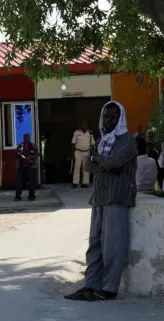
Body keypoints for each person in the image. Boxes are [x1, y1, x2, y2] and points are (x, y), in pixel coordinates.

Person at [64, 101, 137, 302]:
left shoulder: (127, 140)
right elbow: (88, 165)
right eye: (106, 117)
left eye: (113, 117)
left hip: (116, 196)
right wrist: (101, 162)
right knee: (94, 244)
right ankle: (90, 285)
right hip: (99, 197)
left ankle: (109, 288)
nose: (109, 120)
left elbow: (114, 163)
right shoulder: (103, 140)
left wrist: (100, 161)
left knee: (113, 245)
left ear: (120, 117)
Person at [71, 121, 96, 189]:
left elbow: (93, 144)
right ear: (80, 126)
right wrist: (72, 154)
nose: (84, 126)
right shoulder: (76, 133)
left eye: (85, 125)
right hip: (78, 152)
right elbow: (73, 143)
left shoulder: (90, 133)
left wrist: (93, 153)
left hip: (87, 152)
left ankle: (85, 183)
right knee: (77, 167)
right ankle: (75, 183)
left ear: (87, 126)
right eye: (82, 125)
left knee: (86, 168)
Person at [15, 133, 37, 201]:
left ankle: (31, 196)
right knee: (19, 183)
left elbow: (36, 154)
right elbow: (18, 154)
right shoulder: (20, 145)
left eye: (28, 137)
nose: (27, 138)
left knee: (31, 183)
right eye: (26, 137)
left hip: (31, 167)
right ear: (24, 138)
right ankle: (17, 196)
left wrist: (30, 157)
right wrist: (24, 157)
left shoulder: (33, 145)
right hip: (21, 167)